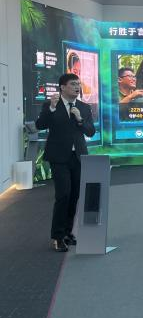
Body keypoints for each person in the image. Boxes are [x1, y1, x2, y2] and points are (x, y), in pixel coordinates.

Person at [35, 73, 96, 252]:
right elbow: (40, 125)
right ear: (62, 87)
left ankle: (68, 232)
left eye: (78, 84)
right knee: (63, 195)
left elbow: (90, 132)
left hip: (78, 157)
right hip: (59, 157)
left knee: (75, 195)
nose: (77, 87)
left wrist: (80, 119)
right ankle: (57, 236)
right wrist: (51, 108)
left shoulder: (83, 107)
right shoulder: (51, 105)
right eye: (73, 84)